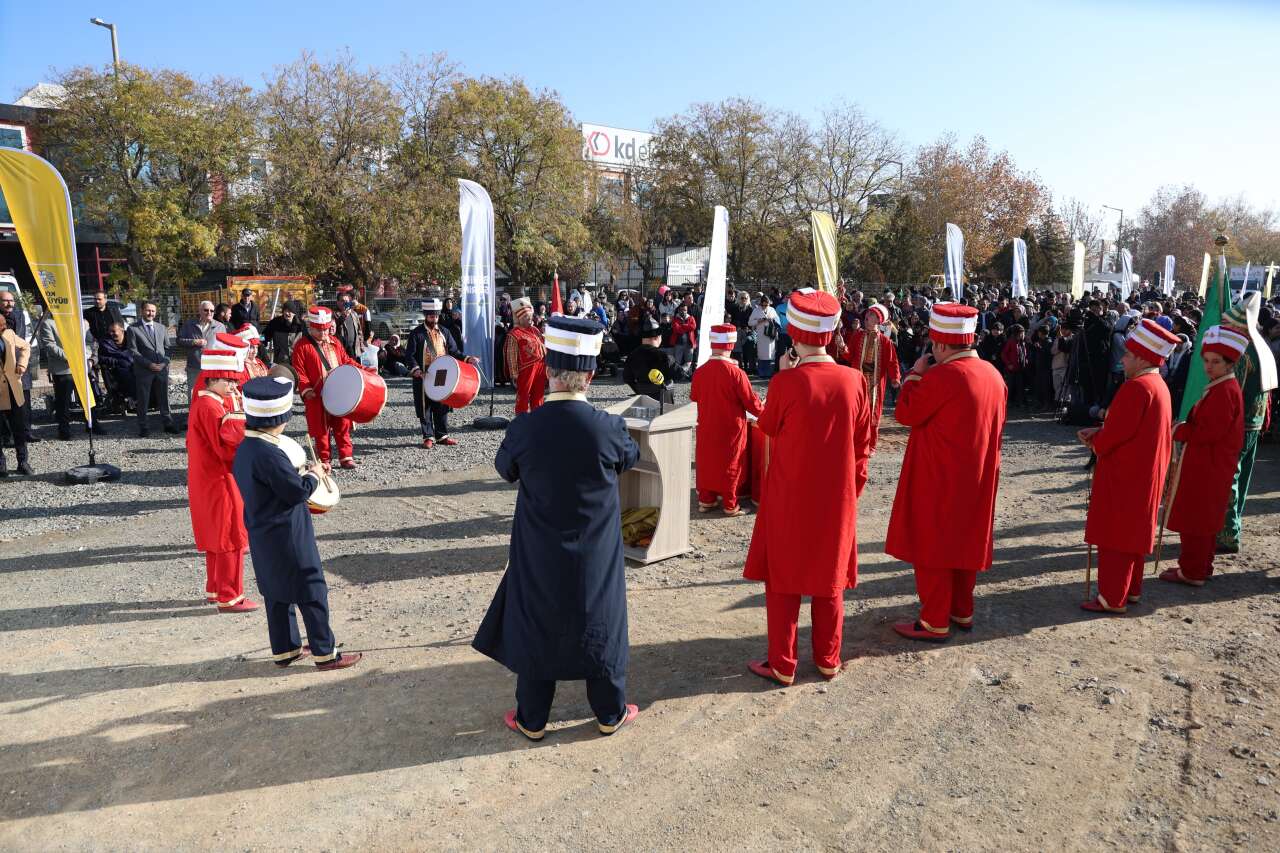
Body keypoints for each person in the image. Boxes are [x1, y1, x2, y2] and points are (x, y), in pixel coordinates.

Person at [473, 315, 640, 739]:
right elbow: (629, 458)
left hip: (539, 546)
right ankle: (609, 711)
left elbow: (504, 469)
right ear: (591, 375)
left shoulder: (526, 427)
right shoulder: (608, 427)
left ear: (548, 371)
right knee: (599, 615)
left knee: (537, 619)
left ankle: (532, 716)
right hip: (595, 547)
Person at [743, 289, 872, 686]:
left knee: (783, 578)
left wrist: (783, 373)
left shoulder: (787, 383)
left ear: (794, 333)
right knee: (829, 576)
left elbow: (765, 427)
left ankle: (782, 662)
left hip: (790, 495)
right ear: (832, 333)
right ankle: (828, 657)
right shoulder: (855, 381)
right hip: (836, 496)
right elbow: (863, 442)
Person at [885, 303, 1007, 641]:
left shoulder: (943, 375)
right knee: (964, 542)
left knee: (933, 545)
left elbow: (907, 413)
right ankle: (961, 611)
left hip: (940, 474)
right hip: (978, 474)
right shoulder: (993, 375)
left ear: (939, 345)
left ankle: (935, 619)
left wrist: (914, 375)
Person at [233, 376, 361, 671]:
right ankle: (325, 653)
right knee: (312, 588)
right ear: (278, 417)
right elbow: (295, 492)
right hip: (287, 531)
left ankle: (286, 649)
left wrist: (301, 471)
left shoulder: (247, 448)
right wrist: (314, 474)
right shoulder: (269, 453)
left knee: (276, 591)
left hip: (262, 530)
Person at [1077, 318, 1179, 614]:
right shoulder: (1157, 384)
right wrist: (1101, 434)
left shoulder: (1136, 388)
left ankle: (1112, 596)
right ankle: (1130, 589)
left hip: (1126, 475)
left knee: (1116, 535)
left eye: (1128, 354)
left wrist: (1096, 441)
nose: (1122, 358)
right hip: (1143, 472)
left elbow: (1116, 436)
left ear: (1144, 357)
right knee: (1132, 534)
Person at [1162, 326, 1246, 587]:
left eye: (1216, 362)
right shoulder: (1223, 386)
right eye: (1206, 361)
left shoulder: (1224, 391)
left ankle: (1192, 571)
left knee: (1196, 516)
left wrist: (1178, 428)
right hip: (1211, 463)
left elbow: (1208, 432)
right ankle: (1201, 566)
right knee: (1205, 516)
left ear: (1230, 363)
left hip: (1207, 464)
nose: (1208, 367)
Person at [185, 344, 255, 611]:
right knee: (230, 534)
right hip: (220, 478)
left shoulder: (205, 401)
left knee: (218, 534)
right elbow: (226, 447)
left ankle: (215, 588)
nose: (233, 386)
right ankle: (230, 595)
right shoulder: (210, 407)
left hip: (208, 477)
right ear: (213, 378)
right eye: (228, 380)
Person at [1216, 294, 1277, 554]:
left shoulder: (1241, 350)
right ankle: (1234, 522)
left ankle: (1228, 533)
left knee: (1229, 476)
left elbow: (1233, 392)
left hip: (1238, 423)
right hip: (1256, 420)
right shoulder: (1262, 345)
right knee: (1243, 476)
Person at [690, 324, 764, 516]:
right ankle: (730, 504)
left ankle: (706, 499)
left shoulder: (700, 371)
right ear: (730, 345)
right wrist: (766, 411)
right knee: (731, 462)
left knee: (707, 460)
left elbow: (694, 396)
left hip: (706, 423)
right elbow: (751, 403)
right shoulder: (736, 373)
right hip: (731, 426)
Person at [291, 306, 359, 469]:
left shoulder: (335, 342)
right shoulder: (301, 346)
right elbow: (299, 372)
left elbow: (346, 361)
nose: (323, 334)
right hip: (316, 395)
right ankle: (324, 459)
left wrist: (363, 369)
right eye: (319, 330)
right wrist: (306, 390)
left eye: (326, 330)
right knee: (320, 429)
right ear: (311, 328)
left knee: (342, 424)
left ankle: (346, 456)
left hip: (338, 392)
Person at [405, 299, 477, 448]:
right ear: (426, 316)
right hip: (423, 374)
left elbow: (454, 351)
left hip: (442, 373)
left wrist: (467, 358)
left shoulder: (445, 331)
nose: (434, 319)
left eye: (436, 316)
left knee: (442, 404)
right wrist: (416, 369)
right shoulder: (416, 333)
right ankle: (428, 436)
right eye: (431, 316)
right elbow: (409, 355)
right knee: (425, 406)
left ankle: (442, 435)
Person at [841, 304, 901, 452]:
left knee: (874, 411)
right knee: (857, 409)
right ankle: (855, 441)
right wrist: (842, 347)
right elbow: (850, 356)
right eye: (868, 314)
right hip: (858, 379)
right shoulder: (857, 336)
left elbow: (892, 362)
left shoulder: (886, 342)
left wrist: (895, 378)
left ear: (879, 320)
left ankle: (871, 444)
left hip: (875, 382)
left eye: (872, 315)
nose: (867, 317)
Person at [127, 302, 179, 436]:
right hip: (144, 370)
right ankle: (143, 426)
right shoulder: (133, 329)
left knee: (164, 398)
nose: (151, 313)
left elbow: (168, 348)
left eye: (153, 311)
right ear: (142, 311)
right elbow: (133, 351)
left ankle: (168, 423)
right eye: (148, 311)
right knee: (143, 399)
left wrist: (164, 363)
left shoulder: (161, 328)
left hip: (161, 369)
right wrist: (149, 364)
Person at [0, 289, 37, 443]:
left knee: (24, 400)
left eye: (12, 301)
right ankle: (7, 436)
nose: (9, 304)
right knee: (5, 404)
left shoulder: (20, 315)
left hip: (20, 363)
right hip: (4, 365)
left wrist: (22, 363)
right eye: (6, 301)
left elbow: (23, 339)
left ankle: (26, 432)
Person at [0, 311, 32, 475]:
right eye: (0, 326)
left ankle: (23, 461)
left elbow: (26, 346)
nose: (3, 328)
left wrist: (21, 364)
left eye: (4, 324)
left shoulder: (10, 334)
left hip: (13, 389)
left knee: (18, 428)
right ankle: (1, 465)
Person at [503, 297, 546, 415]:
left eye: (530, 316)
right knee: (524, 394)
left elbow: (542, 344)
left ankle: (537, 417)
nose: (530, 319)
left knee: (538, 394)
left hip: (540, 366)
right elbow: (511, 355)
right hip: (526, 369)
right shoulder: (514, 334)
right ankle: (521, 419)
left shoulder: (535, 330)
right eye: (526, 317)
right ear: (520, 319)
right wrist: (514, 374)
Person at [623, 316, 676, 402]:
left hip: (642, 398)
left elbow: (627, 378)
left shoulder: (632, 356)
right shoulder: (664, 356)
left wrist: (639, 390)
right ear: (657, 337)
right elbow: (679, 374)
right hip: (663, 399)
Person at [177, 301, 226, 394]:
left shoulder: (220, 327)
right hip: (194, 366)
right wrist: (193, 342)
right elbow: (179, 340)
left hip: (213, 367)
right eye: (206, 310)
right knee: (194, 393)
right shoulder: (189, 324)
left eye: (212, 311)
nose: (209, 313)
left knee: (212, 394)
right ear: (199, 311)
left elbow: (224, 347)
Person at [97, 322, 137, 402]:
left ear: (122, 330)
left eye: (114, 331)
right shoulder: (105, 342)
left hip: (135, 365)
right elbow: (101, 358)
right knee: (126, 373)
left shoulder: (132, 338)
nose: (111, 333)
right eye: (110, 331)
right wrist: (116, 361)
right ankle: (133, 398)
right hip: (116, 368)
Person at [748, 295, 779, 379]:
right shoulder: (756, 310)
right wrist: (759, 320)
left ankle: (769, 373)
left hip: (770, 335)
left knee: (770, 354)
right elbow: (750, 322)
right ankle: (762, 373)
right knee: (762, 354)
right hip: (761, 335)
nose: (765, 306)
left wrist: (771, 319)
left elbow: (777, 320)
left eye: (767, 305)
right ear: (760, 304)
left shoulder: (772, 310)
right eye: (763, 305)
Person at [1001, 324, 1029, 409]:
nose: (1023, 335)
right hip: (1012, 369)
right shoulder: (1011, 342)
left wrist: (1026, 360)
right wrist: (1009, 364)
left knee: (1020, 386)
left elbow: (1024, 354)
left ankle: (1019, 402)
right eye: (1022, 333)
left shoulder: (1022, 342)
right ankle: (1008, 402)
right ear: (1017, 333)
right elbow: (1003, 354)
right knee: (1011, 386)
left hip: (1020, 368)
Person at [668, 303, 698, 378]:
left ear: (687, 310)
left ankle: (681, 372)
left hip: (689, 344)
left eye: (685, 310)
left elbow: (693, 327)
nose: (683, 311)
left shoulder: (691, 317)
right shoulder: (675, 318)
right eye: (681, 310)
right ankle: (678, 375)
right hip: (678, 344)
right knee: (677, 362)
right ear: (678, 310)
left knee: (689, 362)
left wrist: (683, 326)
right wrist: (687, 327)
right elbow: (677, 329)